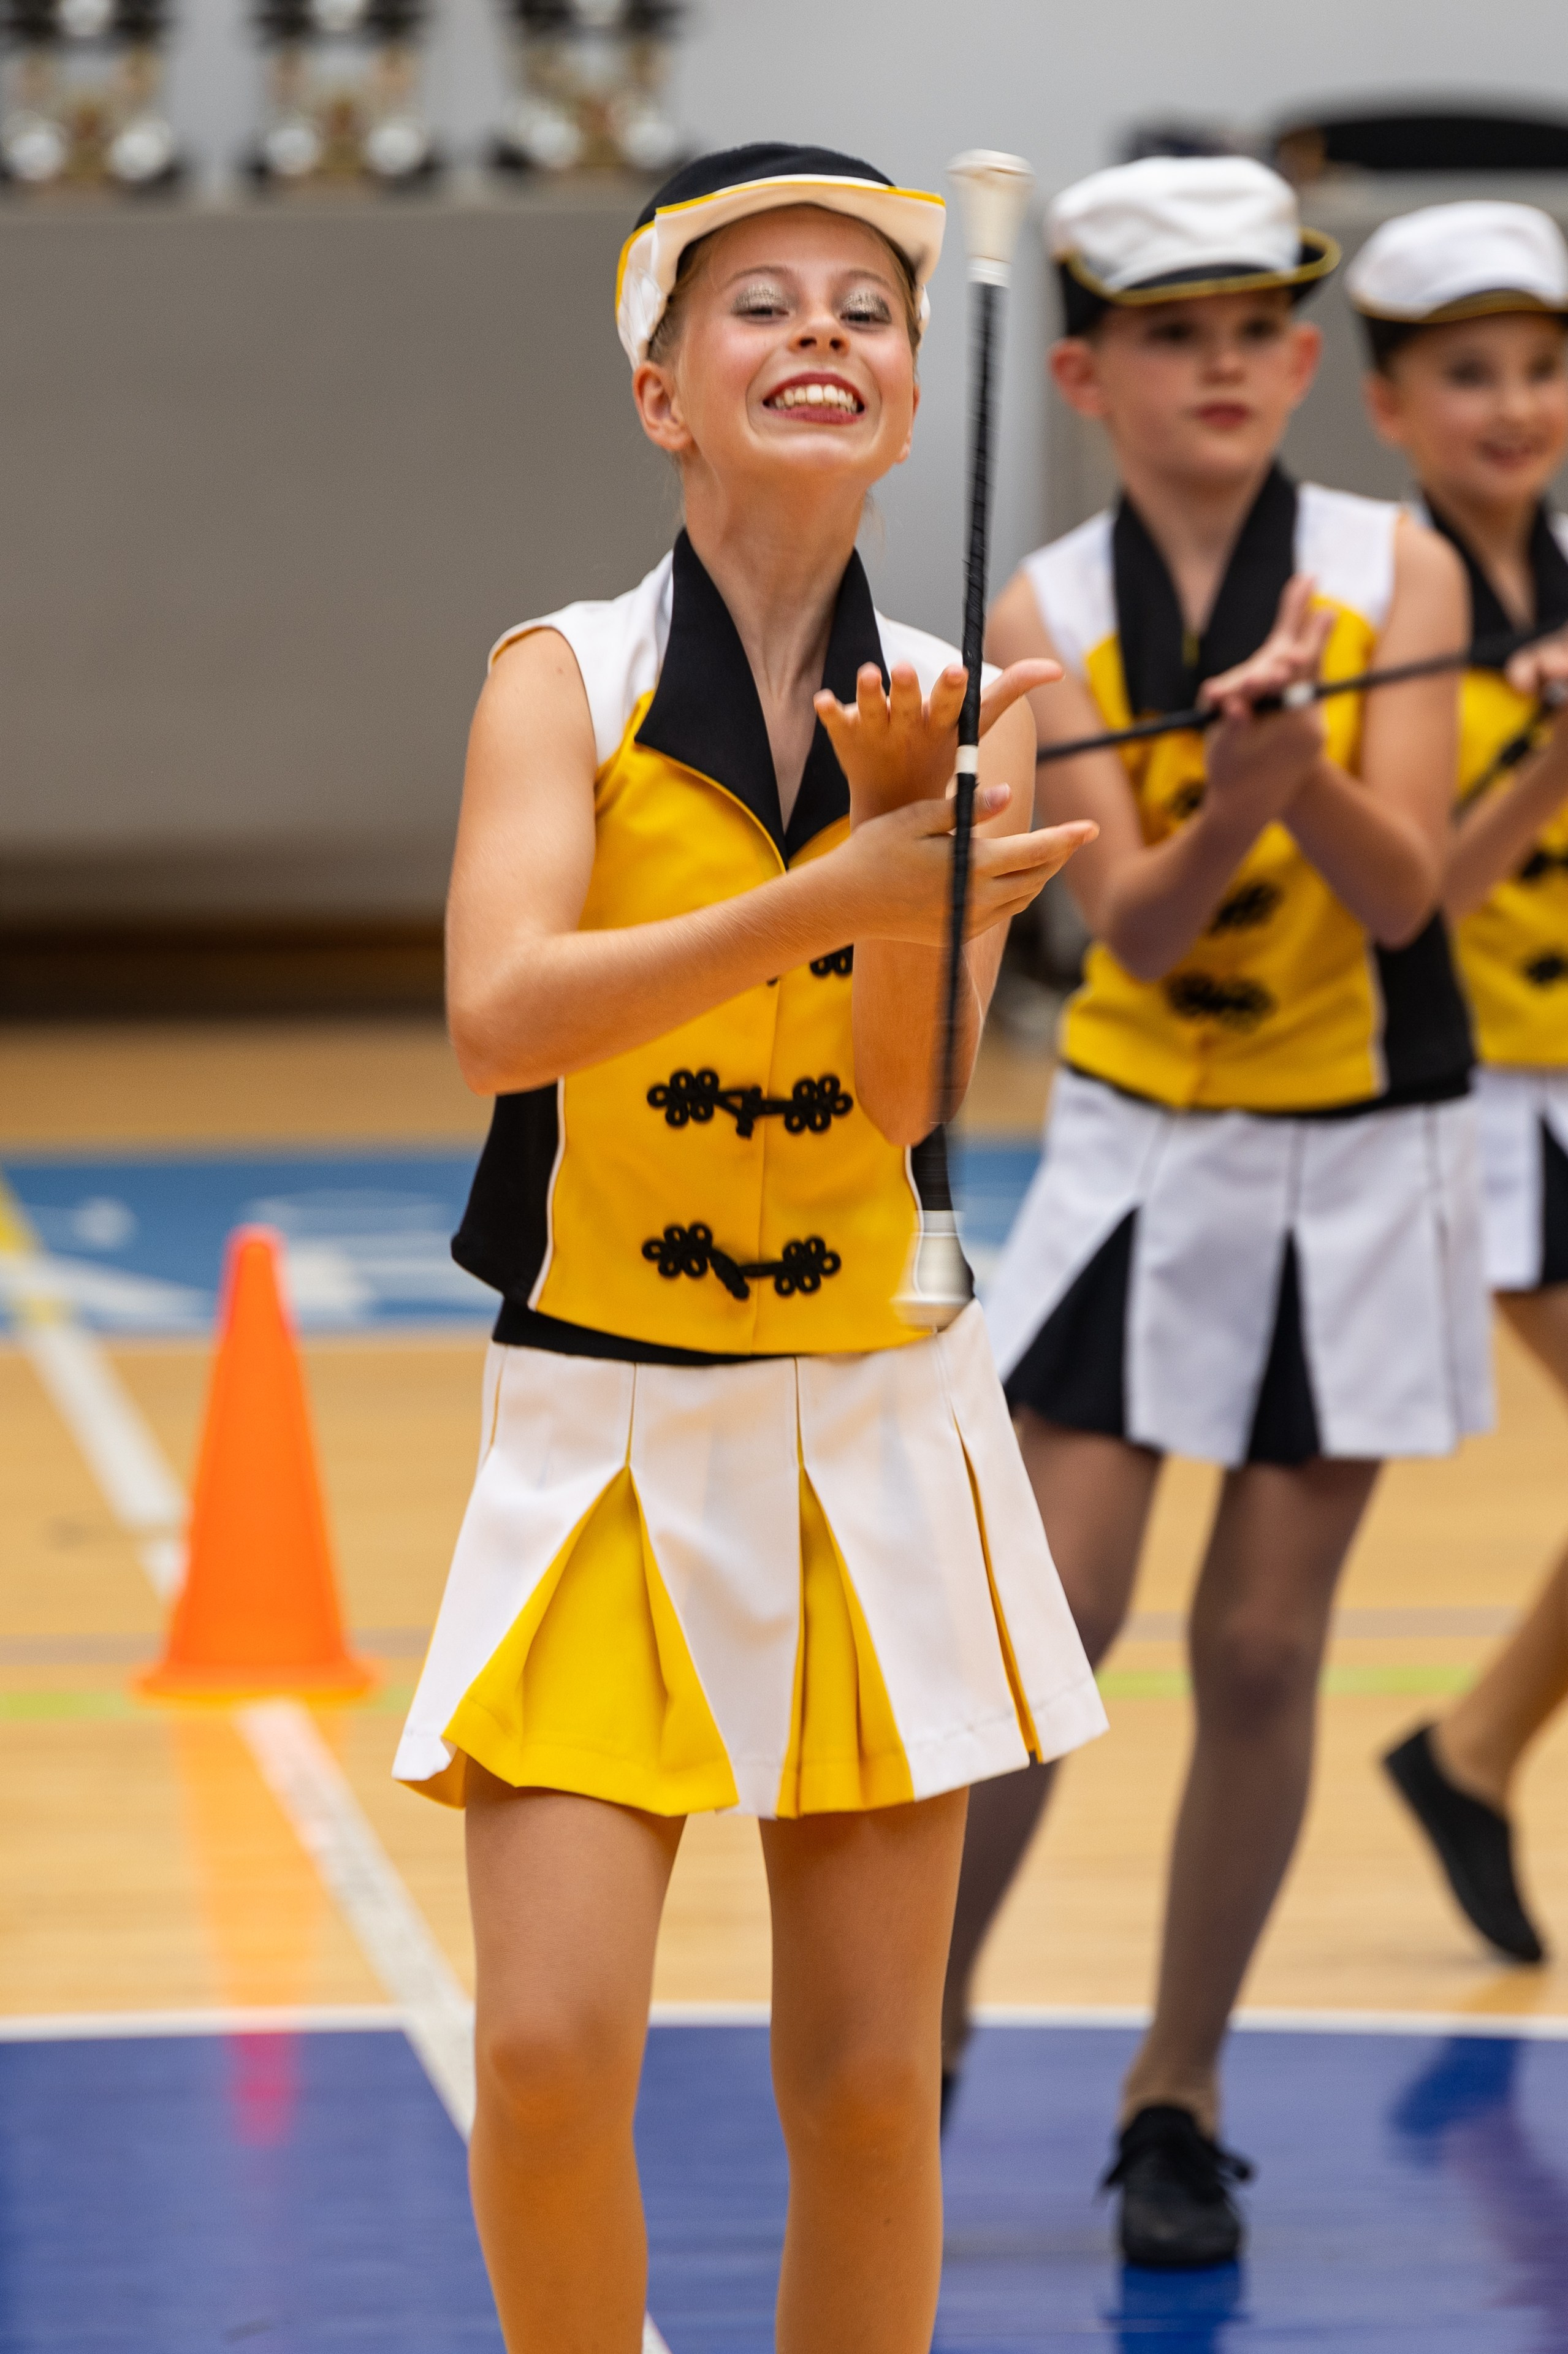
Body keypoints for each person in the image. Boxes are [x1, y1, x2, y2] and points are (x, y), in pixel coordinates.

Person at [390, 143, 1108, 2354]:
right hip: (598, 1437)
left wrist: (921, 844)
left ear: (906, 396)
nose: (824, 331)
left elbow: (907, 1102)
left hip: (871, 1440)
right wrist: (833, 888)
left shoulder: (949, 702)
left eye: (868, 308)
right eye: (760, 302)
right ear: (659, 393)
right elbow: (503, 1015)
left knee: (874, 2090)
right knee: (541, 2055)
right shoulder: (563, 683)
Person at [941, 153, 1491, 2269]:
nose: (1228, 367)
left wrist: (1301, 781)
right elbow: (1145, 939)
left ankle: (1177, 2091)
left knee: (1263, 1654)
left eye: (1261, 329)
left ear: (1300, 360)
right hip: (1146, 1149)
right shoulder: (1042, 621)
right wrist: (1224, 801)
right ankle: (937, 2021)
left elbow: (1407, 887)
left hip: (1363, 1158)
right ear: (1082, 371)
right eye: (1176, 335)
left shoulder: (1402, 575)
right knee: (1057, 1625)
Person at [1348, 201, 1568, 1968]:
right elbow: (1420, 899)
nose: (1514, 404)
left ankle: (1473, 1749)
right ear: (1388, 406)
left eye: (1545, 368)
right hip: (1476, 1097)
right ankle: (1472, 1748)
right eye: (1469, 372)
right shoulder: (1376, 609)